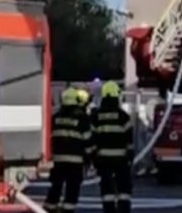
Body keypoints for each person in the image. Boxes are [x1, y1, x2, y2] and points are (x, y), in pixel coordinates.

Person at [44, 87, 91, 212]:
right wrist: (88, 158)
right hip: (76, 161)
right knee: (72, 187)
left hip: (58, 159)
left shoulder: (55, 118)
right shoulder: (82, 118)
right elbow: (87, 140)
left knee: (56, 185)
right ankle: (68, 210)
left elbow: (49, 137)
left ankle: (49, 208)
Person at [92, 81, 134, 213]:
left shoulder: (96, 117)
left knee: (106, 188)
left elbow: (91, 139)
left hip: (103, 160)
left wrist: (94, 158)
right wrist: (130, 156)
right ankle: (124, 210)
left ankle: (109, 210)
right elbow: (129, 139)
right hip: (121, 159)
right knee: (123, 188)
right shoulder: (123, 117)